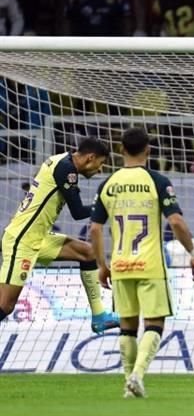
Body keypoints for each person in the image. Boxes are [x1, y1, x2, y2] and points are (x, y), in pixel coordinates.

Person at [89, 127, 194, 398]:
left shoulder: (107, 185)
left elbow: (94, 229)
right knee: (154, 324)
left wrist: (102, 264)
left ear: (120, 149)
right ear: (148, 150)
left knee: (127, 326)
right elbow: (175, 221)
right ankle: (138, 375)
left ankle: (128, 383)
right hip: (150, 265)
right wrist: (192, 252)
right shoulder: (158, 181)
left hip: (120, 265)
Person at [0, 138, 118, 334]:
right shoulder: (66, 169)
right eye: (101, 163)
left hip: (39, 237)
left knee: (87, 252)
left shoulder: (60, 160)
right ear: (91, 157)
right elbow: (78, 212)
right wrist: (108, 205)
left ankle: (99, 318)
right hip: (22, 240)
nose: (100, 169)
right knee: (5, 305)